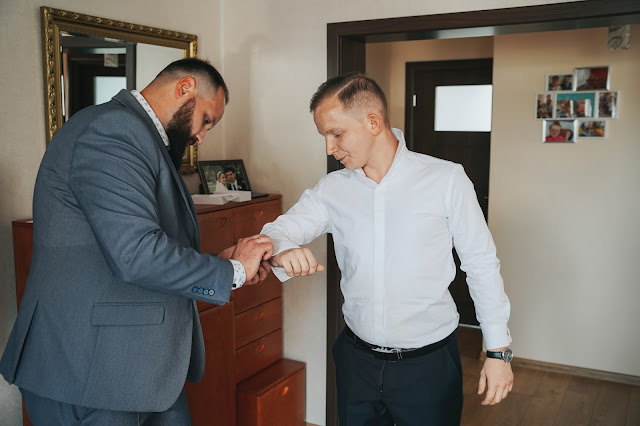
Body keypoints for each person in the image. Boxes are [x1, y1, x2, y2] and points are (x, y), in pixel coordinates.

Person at [0, 58, 274, 424]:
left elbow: (138, 241)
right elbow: (136, 254)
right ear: (185, 88)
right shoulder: (113, 130)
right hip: (90, 371)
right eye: (207, 120)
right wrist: (233, 271)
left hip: (140, 368)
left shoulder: (139, 136)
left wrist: (221, 264)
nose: (201, 137)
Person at [261, 73, 513, 425]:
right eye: (324, 137)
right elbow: (275, 232)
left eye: (336, 134)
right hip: (356, 362)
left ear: (373, 122)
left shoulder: (446, 179)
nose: (328, 148)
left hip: (429, 366)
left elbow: (481, 263)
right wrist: (283, 250)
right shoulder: (332, 189)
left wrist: (498, 352)